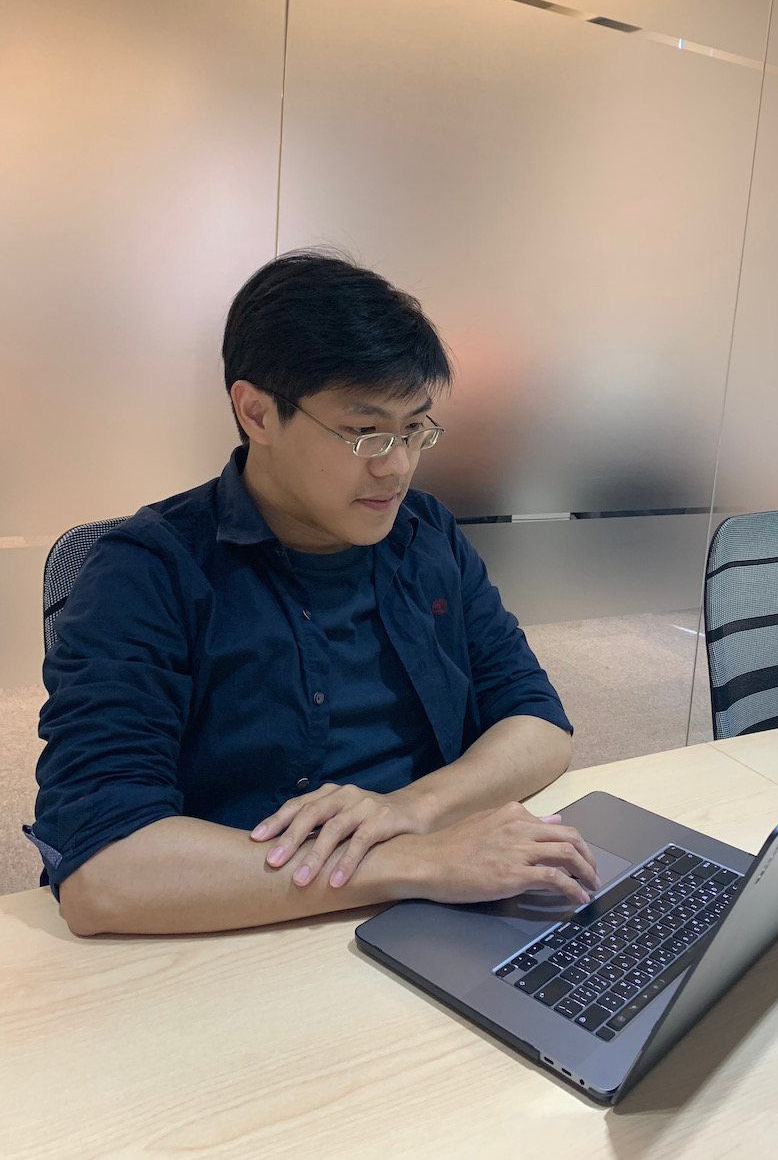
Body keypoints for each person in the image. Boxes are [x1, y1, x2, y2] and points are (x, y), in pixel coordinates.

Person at [26, 251, 598, 936]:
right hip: (241, 929)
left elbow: (539, 723)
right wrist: (411, 861)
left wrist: (412, 810)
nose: (398, 466)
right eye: (365, 433)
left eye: (414, 429)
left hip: (439, 902)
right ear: (257, 413)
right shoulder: (145, 573)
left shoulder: (426, 534)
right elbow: (102, 871)